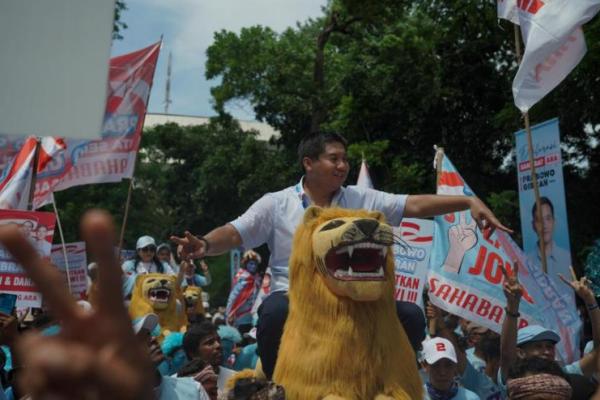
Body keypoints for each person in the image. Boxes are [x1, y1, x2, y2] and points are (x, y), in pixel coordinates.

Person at [173, 131, 511, 378]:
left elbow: (415, 204)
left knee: (409, 315)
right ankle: (279, 384)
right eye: (334, 158)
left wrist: (468, 202)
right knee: (274, 309)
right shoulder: (276, 204)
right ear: (308, 163)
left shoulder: (361, 198)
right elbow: (235, 232)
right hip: (297, 304)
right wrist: (204, 244)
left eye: (345, 159)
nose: (343, 165)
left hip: (357, 304)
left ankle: (386, 381)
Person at [499, 262, 600, 392]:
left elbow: (598, 352)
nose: (547, 351)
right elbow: (507, 354)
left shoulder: (563, 375)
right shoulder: (513, 377)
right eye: (538, 346)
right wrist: (512, 306)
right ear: (520, 353)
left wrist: (590, 301)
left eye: (549, 346)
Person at [526, 197, 571, 287]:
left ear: (554, 221)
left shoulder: (567, 257)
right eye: (539, 220)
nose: (544, 225)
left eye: (548, 218)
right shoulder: (526, 262)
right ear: (533, 225)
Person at [226, 250, 262, 333]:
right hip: (242, 316)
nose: (253, 266)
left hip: (254, 314)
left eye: (255, 264)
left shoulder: (257, 280)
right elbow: (233, 297)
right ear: (246, 265)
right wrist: (229, 314)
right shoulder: (242, 279)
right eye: (251, 264)